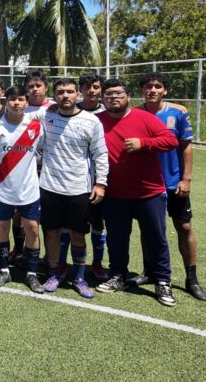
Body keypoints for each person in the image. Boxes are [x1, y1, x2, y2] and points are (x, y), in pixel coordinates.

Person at [95, 79, 180, 307]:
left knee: (156, 238)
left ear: (128, 96)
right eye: (108, 94)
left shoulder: (145, 118)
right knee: (116, 238)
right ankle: (118, 275)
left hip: (148, 193)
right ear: (103, 98)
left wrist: (144, 143)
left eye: (118, 93)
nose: (113, 98)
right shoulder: (96, 121)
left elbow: (171, 140)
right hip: (114, 194)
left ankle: (162, 281)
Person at [27, 78, 108, 298]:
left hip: (79, 189)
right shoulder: (46, 115)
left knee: (77, 235)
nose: (65, 95)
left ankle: (79, 277)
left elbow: (100, 154)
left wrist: (101, 183)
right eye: (61, 92)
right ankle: (55, 272)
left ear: (77, 94)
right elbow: (16, 116)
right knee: (52, 233)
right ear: (54, 96)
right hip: (49, 186)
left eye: (70, 91)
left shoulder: (91, 121)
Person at [138, 73, 206, 301]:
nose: (152, 90)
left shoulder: (178, 112)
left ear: (165, 90)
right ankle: (149, 272)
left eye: (157, 86)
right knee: (149, 229)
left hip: (174, 182)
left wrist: (186, 179)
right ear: (142, 90)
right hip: (148, 184)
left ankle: (192, 279)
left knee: (184, 226)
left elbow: (186, 146)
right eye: (148, 86)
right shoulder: (136, 113)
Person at [0, 85, 45, 292]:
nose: (16, 103)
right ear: (5, 101)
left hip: (29, 190)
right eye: (12, 99)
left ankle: (32, 273)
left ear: (27, 102)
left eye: (20, 99)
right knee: (1, 229)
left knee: (32, 229)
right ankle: (3, 270)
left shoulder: (36, 126)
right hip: (1, 189)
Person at [77, 72, 108, 279]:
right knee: (73, 225)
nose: (91, 91)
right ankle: (65, 264)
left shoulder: (107, 112)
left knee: (98, 222)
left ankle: (97, 263)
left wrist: (101, 180)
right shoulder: (69, 109)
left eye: (95, 87)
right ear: (80, 89)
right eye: (87, 87)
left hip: (99, 178)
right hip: (75, 179)